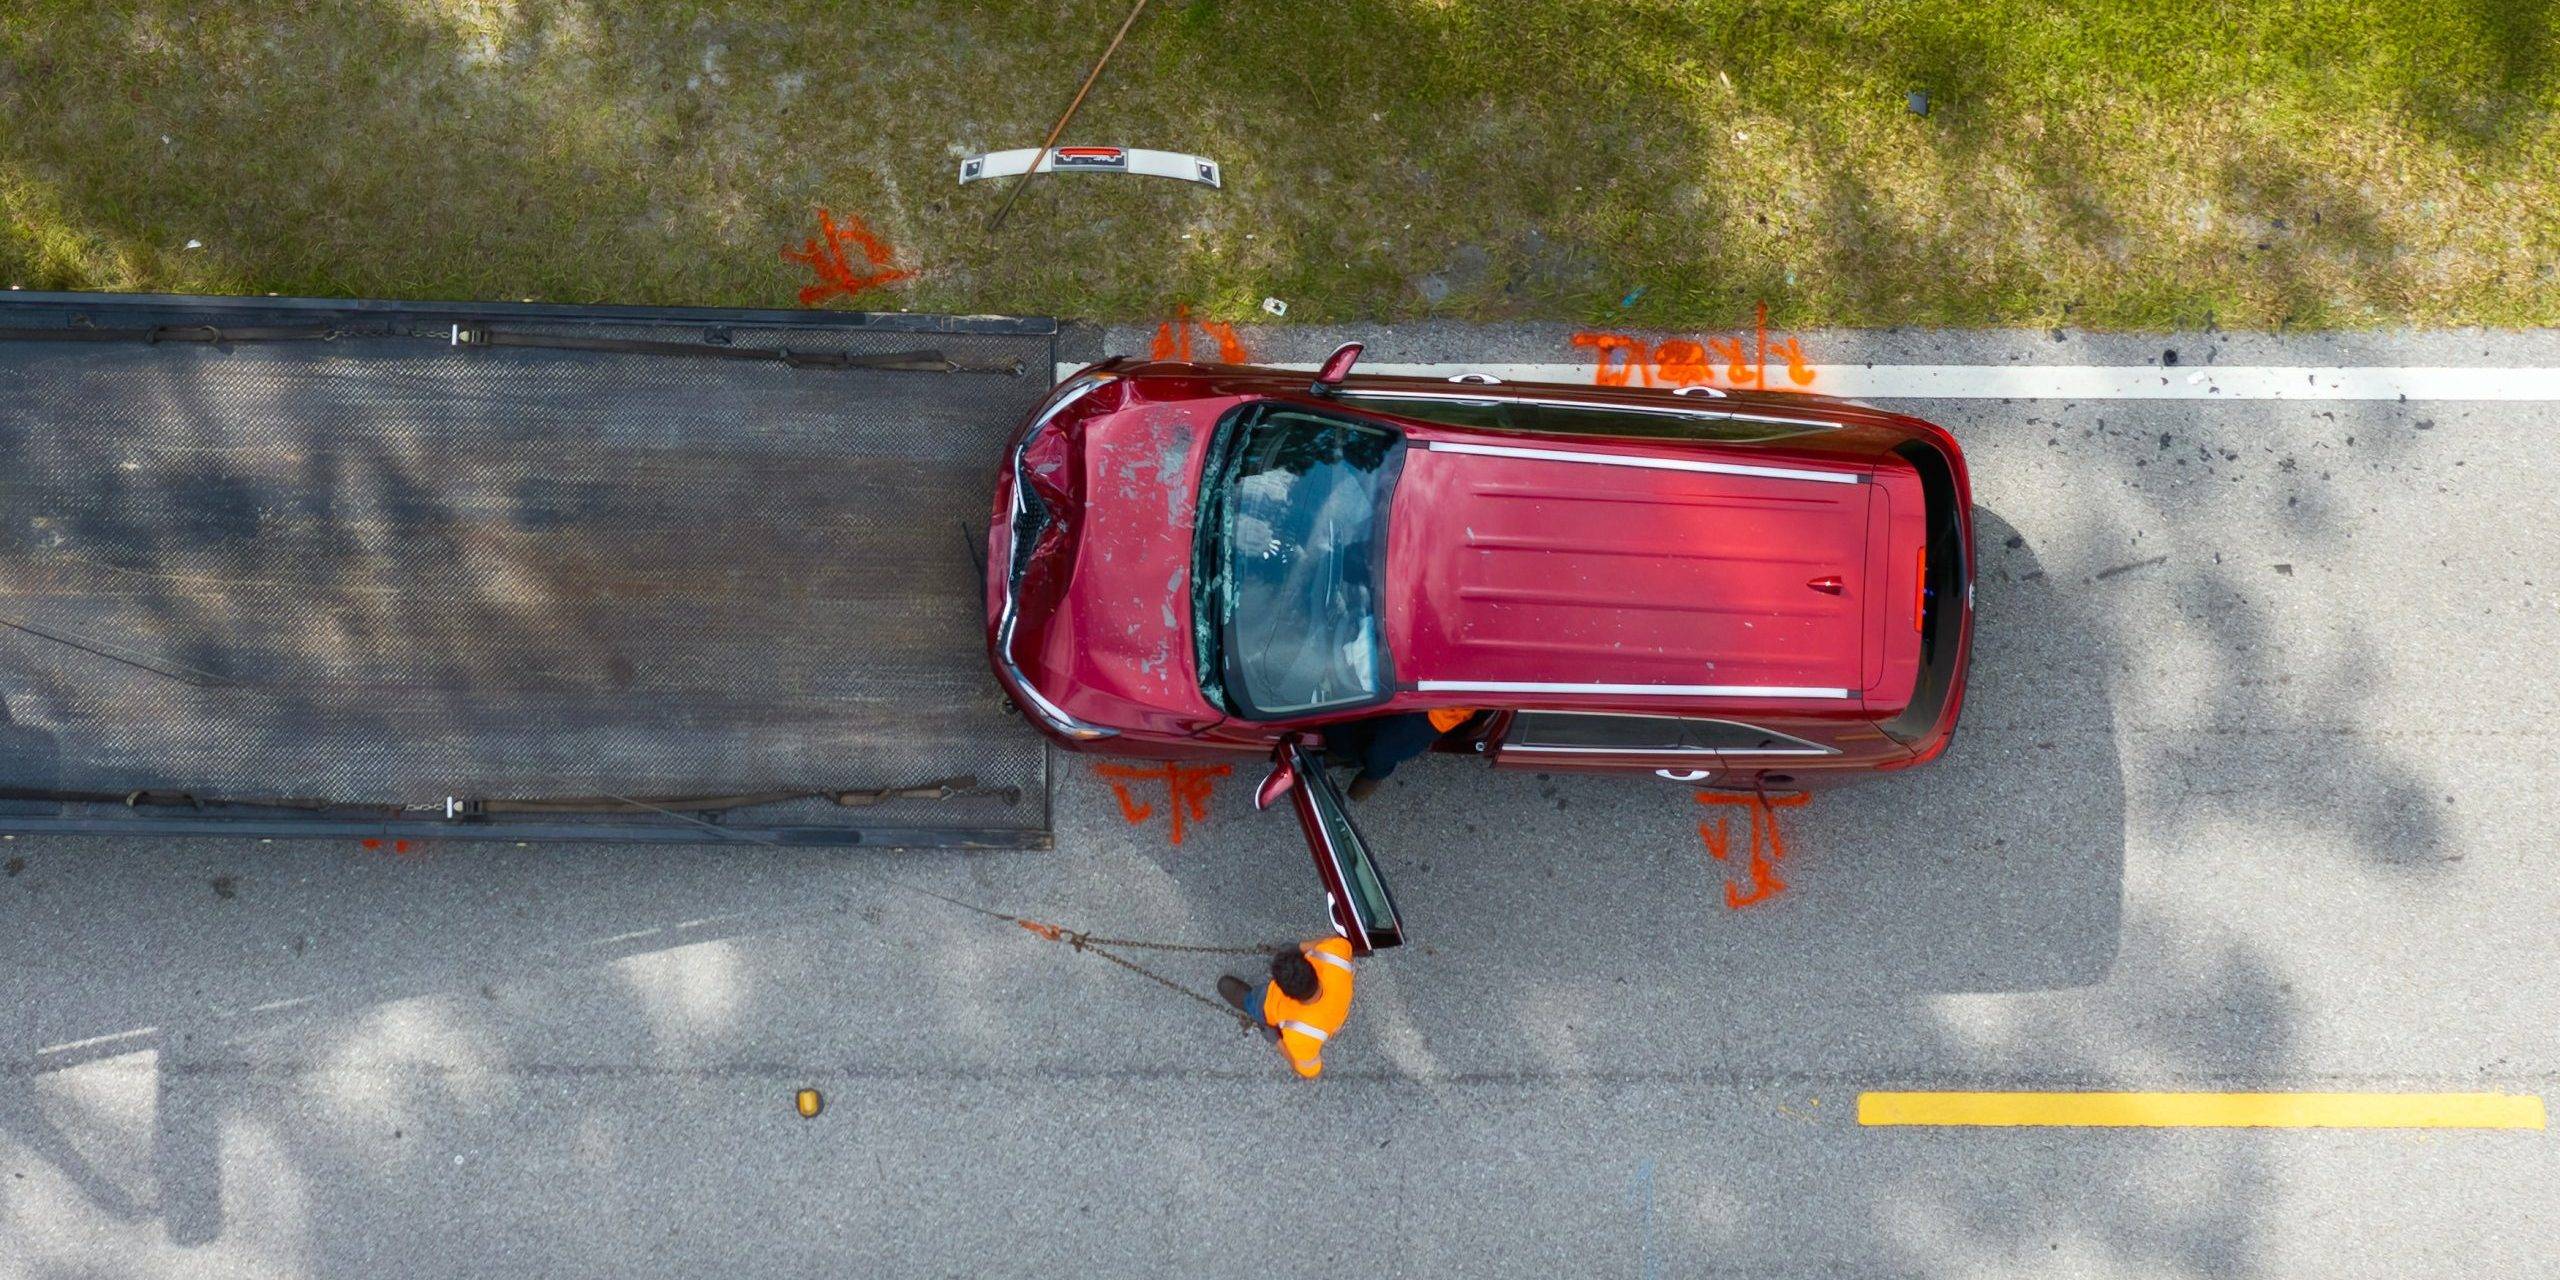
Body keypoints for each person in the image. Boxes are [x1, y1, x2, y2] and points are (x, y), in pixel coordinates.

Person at [1218, 937, 1356, 1079]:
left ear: (1286, 994)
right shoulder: (1334, 954)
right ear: (1309, 965)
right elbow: (1339, 943)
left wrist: (1276, 1040)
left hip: (1268, 1006)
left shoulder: (1300, 1036)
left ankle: (1249, 1002)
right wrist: (1300, 947)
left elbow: (1310, 1071)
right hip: (1335, 1011)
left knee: (1258, 1003)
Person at [1325, 706, 1477, 800]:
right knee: (1348, 725)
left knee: (1385, 750)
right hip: (1409, 678)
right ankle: (1343, 752)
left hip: (1439, 710)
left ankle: (1373, 775)